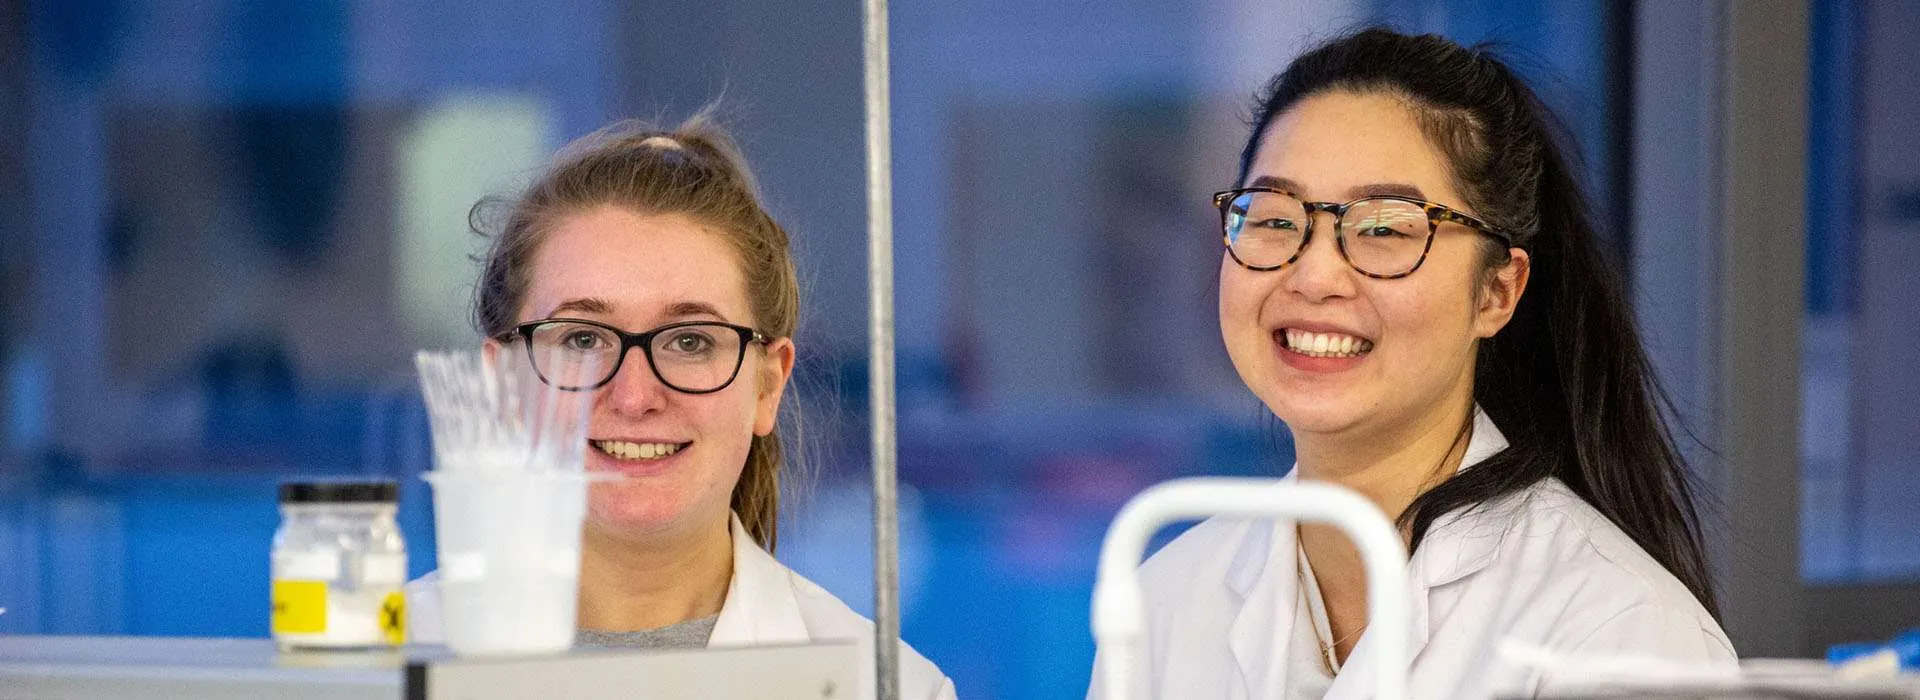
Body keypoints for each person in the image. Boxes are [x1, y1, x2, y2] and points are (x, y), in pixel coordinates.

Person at [1089, 29, 1734, 699]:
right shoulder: (1167, 599)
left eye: (1383, 230)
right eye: (1276, 219)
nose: (1313, 276)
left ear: (1496, 293)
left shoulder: (1619, 634)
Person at [406, 117, 957, 700]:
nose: (636, 396)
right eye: (583, 340)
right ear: (503, 388)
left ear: (768, 386)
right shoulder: (359, 673)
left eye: (690, 341)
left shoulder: (891, 689)